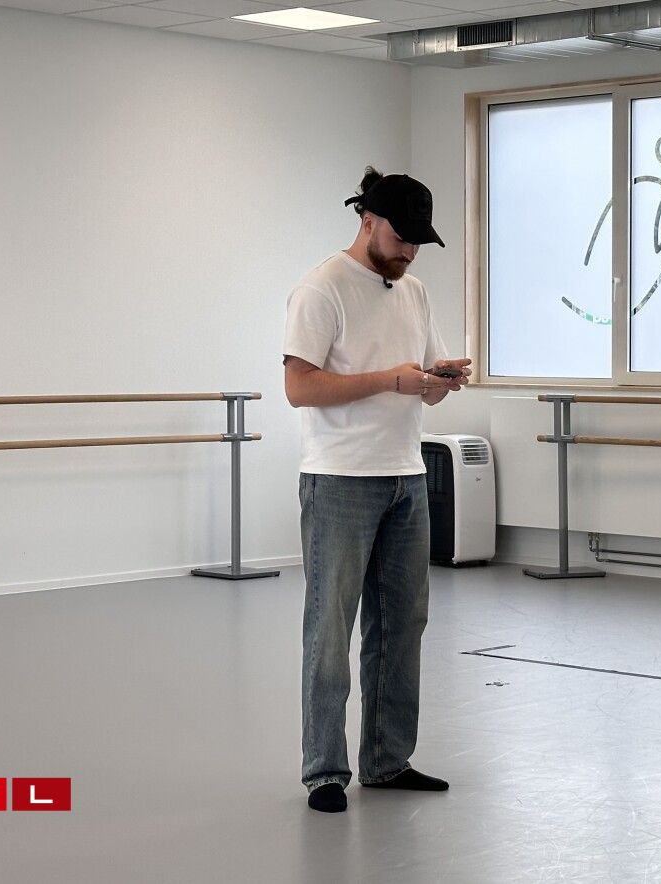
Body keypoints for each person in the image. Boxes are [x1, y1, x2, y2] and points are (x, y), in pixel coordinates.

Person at [281, 166, 472, 814]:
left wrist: (439, 381)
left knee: (401, 626)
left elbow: (422, 386)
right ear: (367, 220)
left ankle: (388, 762)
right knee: (330, 628)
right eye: (401, 237)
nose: (410, 251)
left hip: (405, 476)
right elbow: (299, 387)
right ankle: (324, 773)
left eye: (419, 240)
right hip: (339, 479)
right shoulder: (322, 288)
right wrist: (390, 380)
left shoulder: (414, 293)